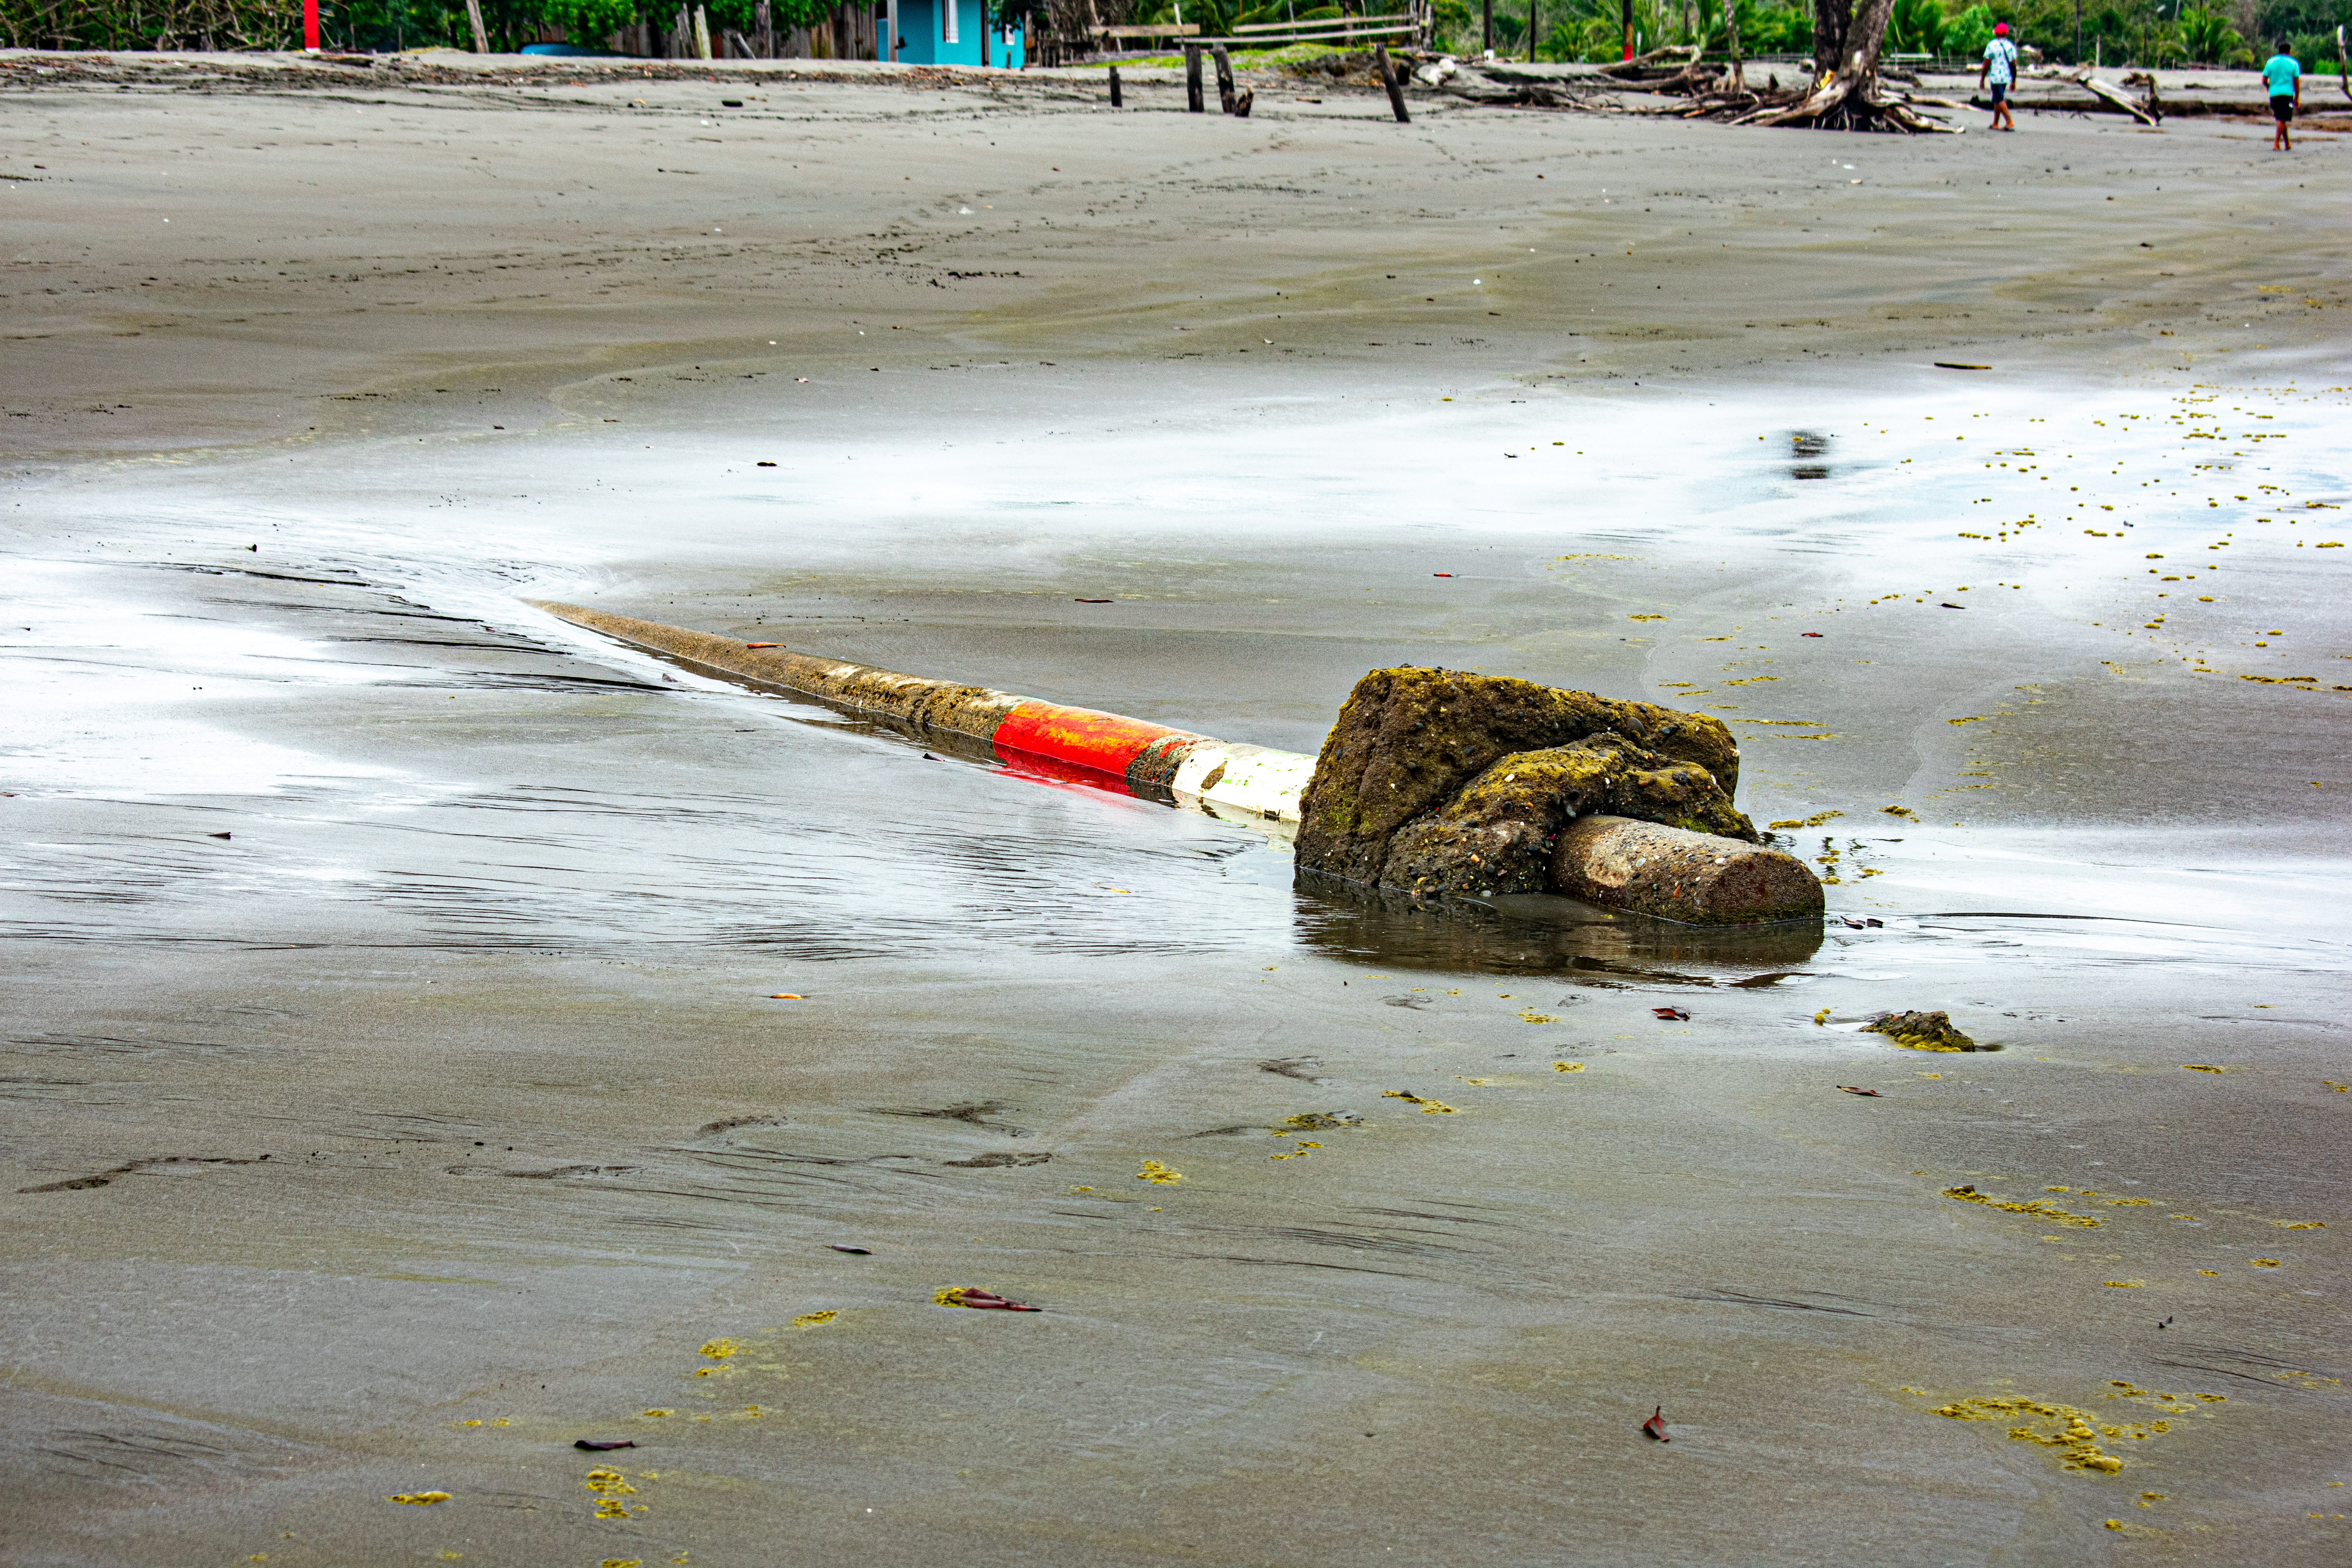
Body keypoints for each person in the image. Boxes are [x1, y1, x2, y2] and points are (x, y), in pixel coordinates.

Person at [1979, 22, 2020, 131]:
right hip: (2006, 77)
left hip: (1996, 77)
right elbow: (2014, 65)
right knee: (1997, 99)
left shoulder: (1992, 45)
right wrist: (2014, 81)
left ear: (1996, 33)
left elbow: (1986, 64)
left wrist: (1982, 79)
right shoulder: (2011, 46)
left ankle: (2009, 121)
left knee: (1999, 99)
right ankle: (1995, 123)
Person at [2265, 42, 2302, 150]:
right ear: (2290, 51)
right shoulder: (2294, 63)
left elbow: (2264, 80)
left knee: (2281, 118)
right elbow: (2296, 82)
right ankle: (2276, 143)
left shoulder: (2271, 62)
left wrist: (2269, 88)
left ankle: (2288, 143)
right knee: (2282, 118)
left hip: (2274, 94)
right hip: (2287, 94)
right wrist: (2297, 97)